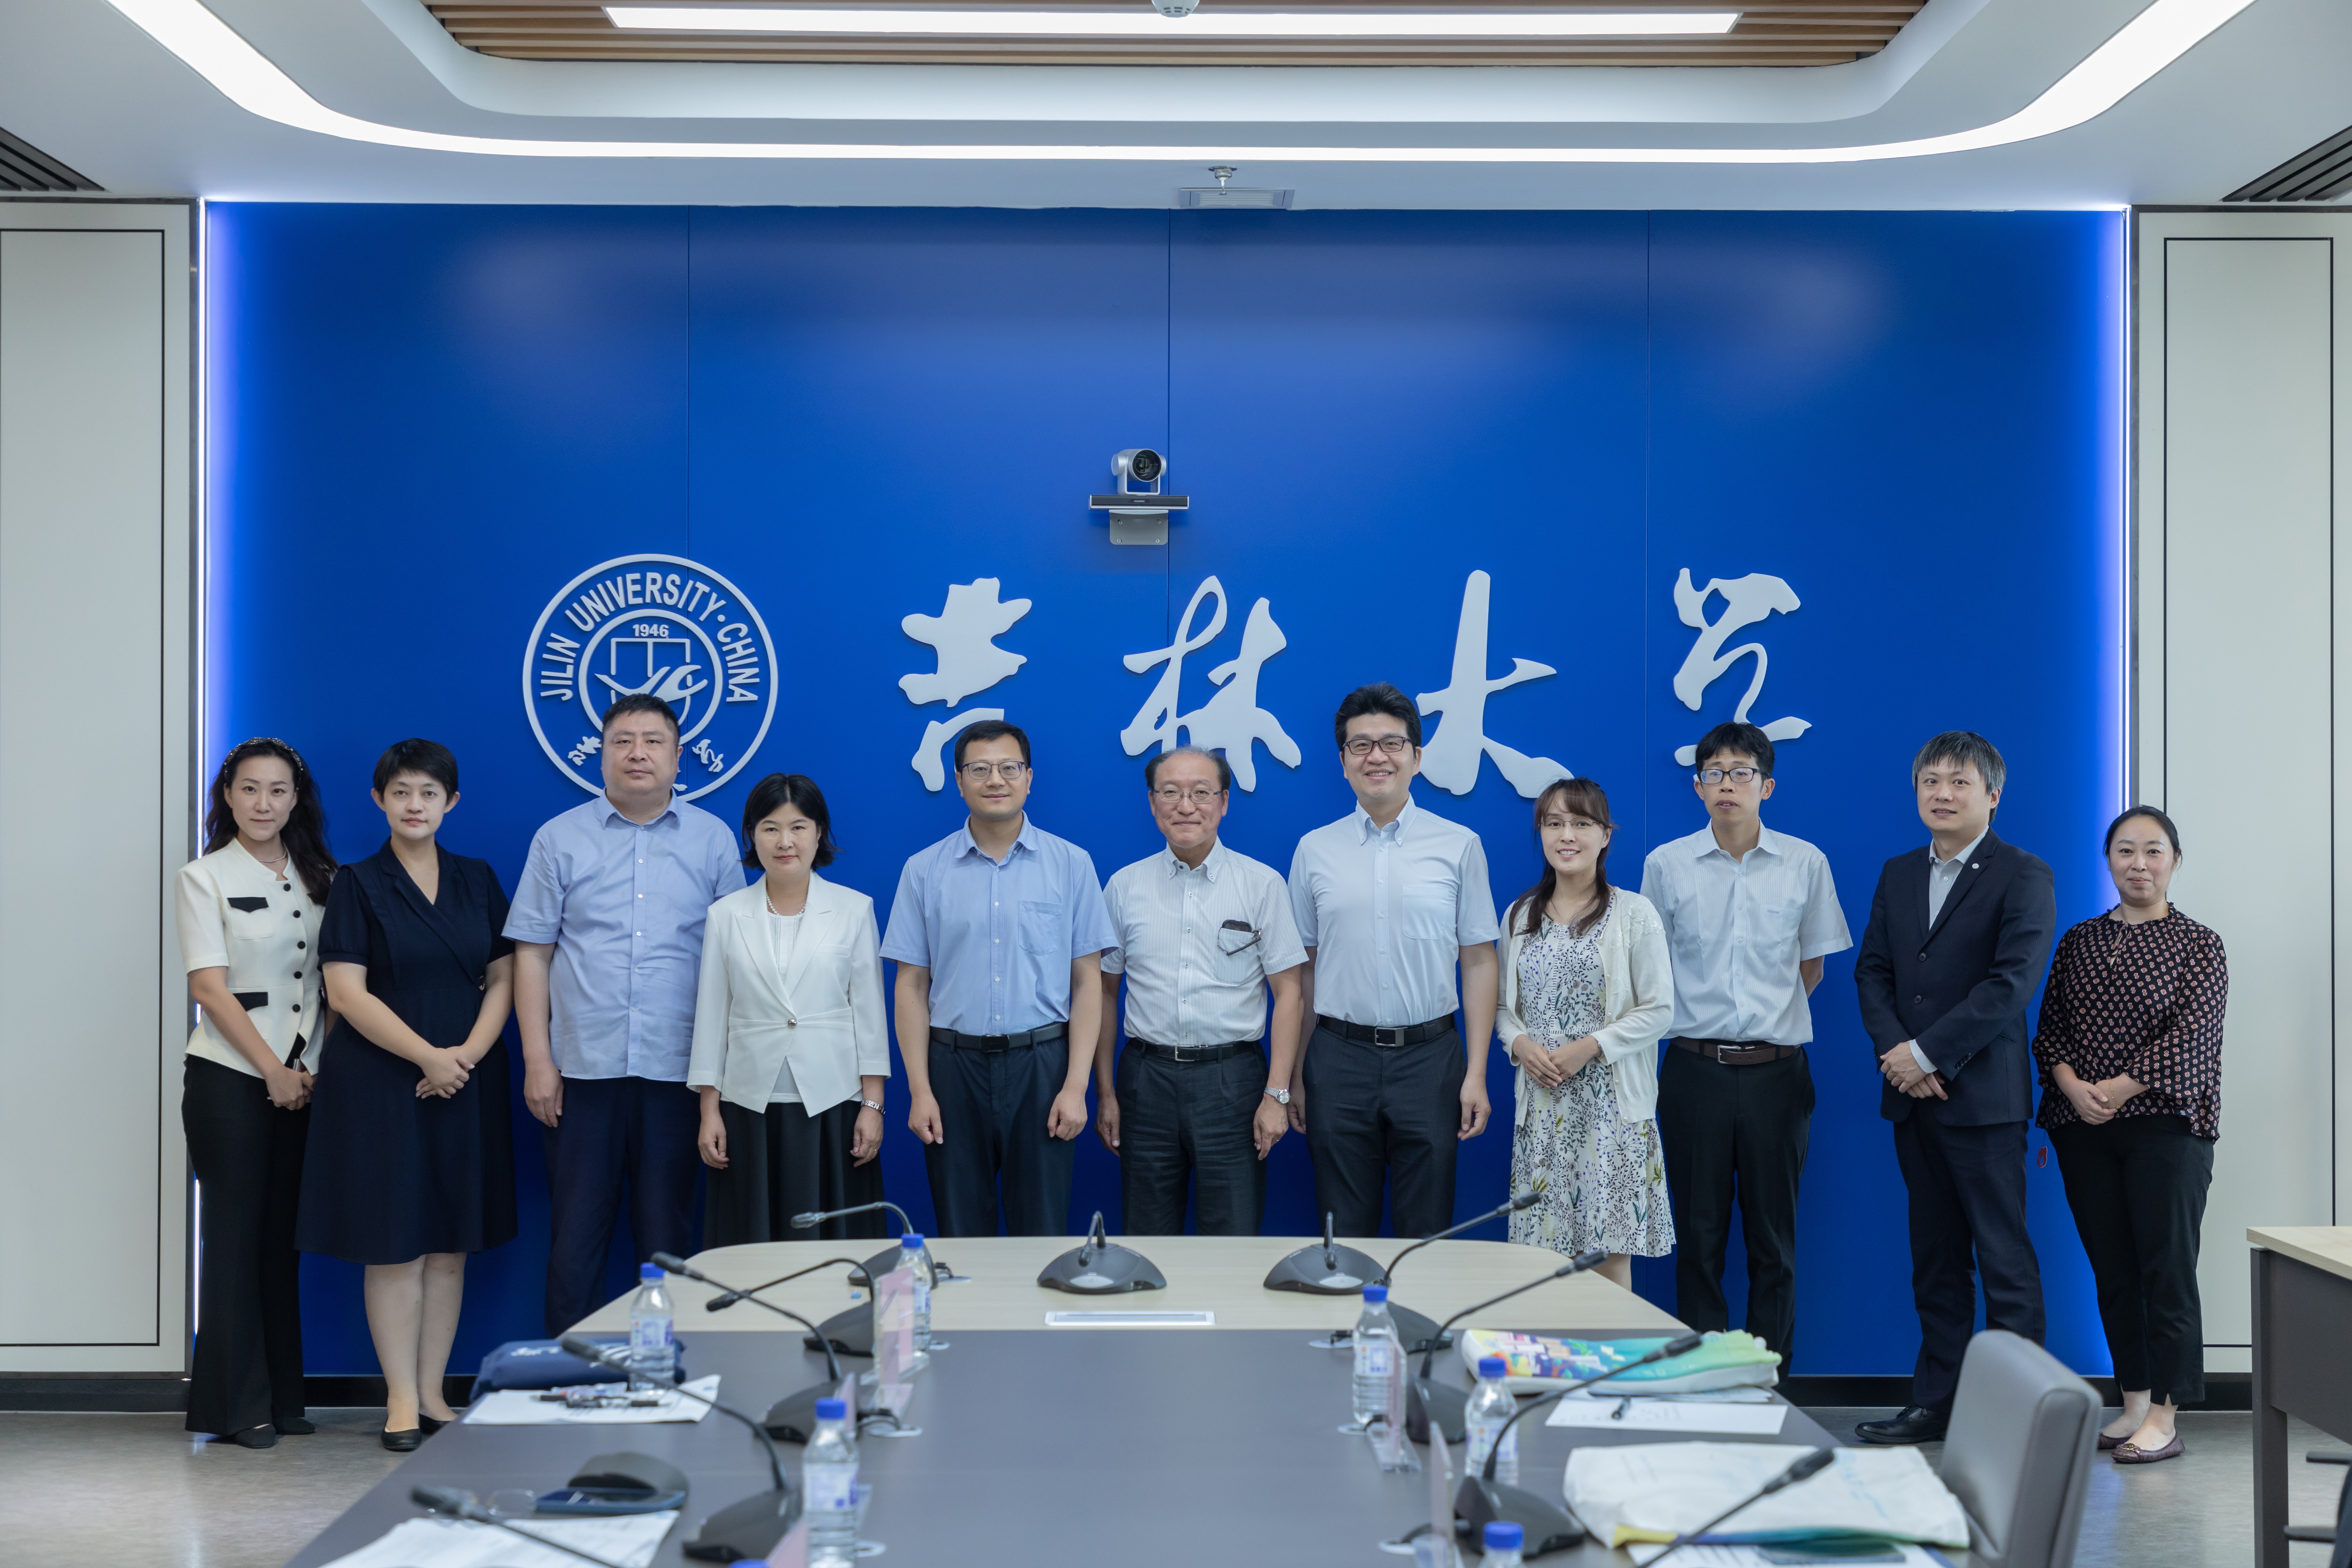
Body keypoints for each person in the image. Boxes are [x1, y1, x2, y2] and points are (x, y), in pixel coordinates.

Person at [296, 739, 516, 1451]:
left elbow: (505, 975)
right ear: (379, 800)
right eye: (401, 792)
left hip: (465, 1077)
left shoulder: (478, 877)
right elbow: (345, 993)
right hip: (383, 1082)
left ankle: (432, 1392)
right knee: (395, 1245)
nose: (414, 805)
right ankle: (397, 1399)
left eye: (428, 793)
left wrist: (466, 1057)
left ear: (452, 802)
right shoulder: (358, 883)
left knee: (449, 1245)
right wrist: (428, 1057)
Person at [506, 693, 744, 1336]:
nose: (638, 754)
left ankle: (665, 1369)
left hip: (679, 1072)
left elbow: (735, 959)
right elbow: (532, 954)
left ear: (678, 756)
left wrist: (719, 1079)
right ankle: (571, 1374)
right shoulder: (559, 838)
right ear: (603, 753)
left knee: (669, 1241)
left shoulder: (713, 840)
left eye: (653, 741)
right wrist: (537, 1061)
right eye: (623, 741)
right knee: (575, 1239)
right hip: (581, 1073)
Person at [1853, 730, 2056, 1444]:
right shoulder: (1899, 872)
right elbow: (1873, 971)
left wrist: (1927, 1054)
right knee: (1936, 1262)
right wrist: (1898, 1056)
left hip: (1984, 1102)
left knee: (2004, 1261)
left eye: (1959, 782)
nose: (1942, 793)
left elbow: (2011, 984)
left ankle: (2018, 1417)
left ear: (1993, 795)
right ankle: (1936, 1403)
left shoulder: (2022, 873)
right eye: (1931, 781)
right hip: (1912, 1099)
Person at [1641, 721, 1851, 1364]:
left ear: (1767, 786)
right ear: (1698, 787)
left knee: (1774, 1239)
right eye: (1714, 774)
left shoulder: (1805, 863)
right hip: (1693, 1070)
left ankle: (1767, 1379)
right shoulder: (1666, 865)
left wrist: (1765, 1022)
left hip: (1777, 1074)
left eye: (1741, 773)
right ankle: (1704, 1376)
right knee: (1699, 1237)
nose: (1727, 785)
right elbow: (1651, 969)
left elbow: (1812, 967)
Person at [2033, 806, 2225, 1465]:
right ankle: (2136, 1400)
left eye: (2153, 851)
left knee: (2165, 1270)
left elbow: (2192, 1037)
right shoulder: (2080, 940)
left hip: (2167, 1129)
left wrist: (2116, 1089)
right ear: (2109, 860)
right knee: (2113, 1271)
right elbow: (2050, 1030)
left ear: (2174, 861)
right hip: (2083, 1128)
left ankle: (2167, 1414)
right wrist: (2071, 1087)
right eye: (2125, 850)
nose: (2138, 863)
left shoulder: (2200, 944)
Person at [881, 719, 1114, 1237]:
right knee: (961, 1231)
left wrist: (1076, 1086)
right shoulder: (924, 870)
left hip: (1043, 1066)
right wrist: (920, 1090)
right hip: (952, 1068)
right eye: (979, 769)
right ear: (959, 781)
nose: (995, 780)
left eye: (1009, 768)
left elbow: (1088, 984)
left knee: (1042, 1231)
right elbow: (911, 987)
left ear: (1029, 778)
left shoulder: (1071, 864)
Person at [1287, 683, 1501, 1239]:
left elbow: (1480, 962)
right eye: (1360, 745)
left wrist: (1476, 1074)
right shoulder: (1314, 849)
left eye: (1391, 743)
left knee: (1426, 1234)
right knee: (1341, 1235)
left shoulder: (1459, 845)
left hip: (1430, 1060)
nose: (1376, 756)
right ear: (1343, 762)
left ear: (1417, 757)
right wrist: (1297, 1075)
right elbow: (1303, 971)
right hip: (1337, 1059)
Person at [175, 738, 338, 1449]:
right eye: (249, 789)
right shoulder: (203, 877)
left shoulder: (324, 877)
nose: (263, 803)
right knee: (235, 1239)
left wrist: (310, 1070)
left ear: (296, 799)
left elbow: (334, 982)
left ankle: (283, 1395)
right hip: (232, 1080)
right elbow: (209, 988)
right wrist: (273, 1068)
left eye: (277, 790)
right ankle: (234, 1407)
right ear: (228, 796)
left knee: (282, 1242)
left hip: (309, 1078)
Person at [1092, 746, 1308, 1236]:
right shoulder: (1125, 887)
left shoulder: (1261, 885)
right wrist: (1105, 1093)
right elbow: (1104, 993)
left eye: (1201, 793)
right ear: (1153, 803)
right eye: (1170, 793)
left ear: (1224, 802)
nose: (1186, 806)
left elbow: (1290, 993)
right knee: (1147, 1234)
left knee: (1233, 1236)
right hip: (1145, 1081)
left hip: (1233, 1083)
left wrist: (1276, 1094)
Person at [690, 774, 891, 1245]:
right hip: (747, 1103)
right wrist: (709, 1111)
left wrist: (873, 1105)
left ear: (819, 833)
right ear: (751, 836)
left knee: (832, 1241)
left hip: (833, 1101)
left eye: (798, 827)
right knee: (753, 1242)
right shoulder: (725, 914)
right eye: (770, 828)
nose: (785, 842)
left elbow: (869, 1014)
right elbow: (712, 1016)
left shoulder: (854, 910)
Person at [1495, 778, 1673, 1288]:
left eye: (1581, 823)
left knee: (1607, 1256)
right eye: (1554, 824)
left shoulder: (1633, 913)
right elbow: (1504, 1009)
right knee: (1542, 1259)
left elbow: (1661, 1011)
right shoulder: (1519, 915)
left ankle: (1609, 1346)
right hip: (1543, 1110)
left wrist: (1591, 1047)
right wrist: (1519, 1043)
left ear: (1605, 835)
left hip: (1612, 1110)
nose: (1566, 836)